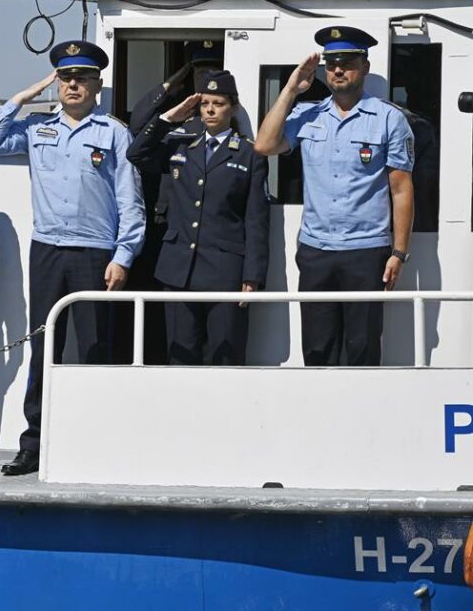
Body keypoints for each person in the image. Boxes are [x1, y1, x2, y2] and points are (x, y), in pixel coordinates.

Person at [0, 40, 146, 476]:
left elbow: (131, 202)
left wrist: (123, 256)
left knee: (94, 350)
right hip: (48, 250)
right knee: (42, 346)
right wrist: (22, 98)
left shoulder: (113, 133)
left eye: (82, 78)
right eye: (66, 78)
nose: (73, 85)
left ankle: (95, 443)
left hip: (95, 252)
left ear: (97, 85)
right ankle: (34, 444)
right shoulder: (36, 128)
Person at [254, 26, 415, 366]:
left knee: (363, 348)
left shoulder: (389, 120)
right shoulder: (307, 114)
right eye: (331, 63)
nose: (338, 69)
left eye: (347, 61)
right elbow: (264, 145)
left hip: (366, 251)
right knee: (317, 348)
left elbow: (401, 189)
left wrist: (399, 252)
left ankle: (362, 417)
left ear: (365, 67)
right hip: (317, 252)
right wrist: (290, 89)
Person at [128, 70, 269, 364]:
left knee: (226, 356)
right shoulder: (180, 145)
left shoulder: (249, 154)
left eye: (218, 103)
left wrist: (252, 276)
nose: (210, 109)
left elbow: (256, 219)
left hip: (225, 271)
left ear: (232, 108)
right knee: (180, 356)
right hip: (179, 270)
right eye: (205, 103)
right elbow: (137, 154)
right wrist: (169, 118)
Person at [124, 40, 226, 364]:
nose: (204, 76)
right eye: (199, 69)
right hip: (162, 227)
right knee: (162, 315)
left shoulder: (218, 120)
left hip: (201, 232)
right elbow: (139, 127)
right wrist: (175, 81)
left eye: (211, 69)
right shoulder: (176, 117)